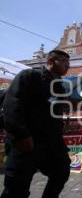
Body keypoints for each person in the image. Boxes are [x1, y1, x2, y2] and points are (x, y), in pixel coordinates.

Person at [1, 50, 71, 198]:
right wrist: (21, 135)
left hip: (51, 143)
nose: (68, 65)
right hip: (26, 141)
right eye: (64, 61)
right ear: (51, 61)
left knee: (62, 170)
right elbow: (12, 105)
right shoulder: (30, 76)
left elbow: (56, 109)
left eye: (68, 62)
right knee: (16, 188)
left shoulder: (59, 86)